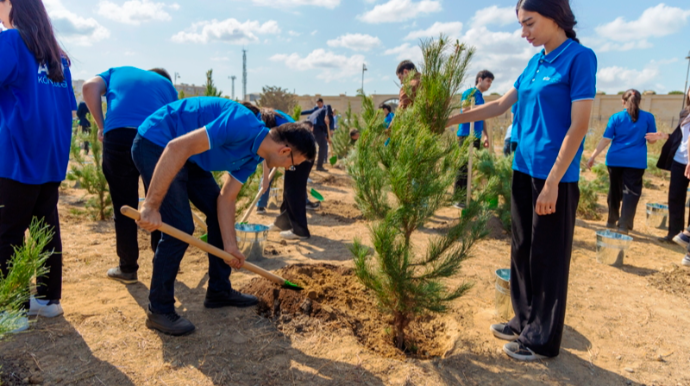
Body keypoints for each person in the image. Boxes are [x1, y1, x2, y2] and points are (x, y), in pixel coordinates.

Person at [447, 0, 596, 361]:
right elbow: (499, 106)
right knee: (522, 250)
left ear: (554, 16)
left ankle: (542, 341)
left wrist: (553, 182)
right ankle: (523, 320)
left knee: (548, 256)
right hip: (523, 169)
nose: (523, 33)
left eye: (529, 23)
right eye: (521, 24)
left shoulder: (579, 58)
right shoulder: (535, 62)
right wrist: (450, 119)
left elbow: (579, 126)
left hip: (553, 176)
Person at [133, 97, 315, 335]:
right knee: (181, 226)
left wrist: (231, 246)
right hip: (157, 141)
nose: (287, 169)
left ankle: (219, 290)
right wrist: (151, 205)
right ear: (284, 151)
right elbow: (176, 148)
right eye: (291, 165)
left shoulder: (255, 155)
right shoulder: (241, 124)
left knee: (217, 214)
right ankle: (159, 309)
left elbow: (226, 199)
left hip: (189, 156)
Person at [0, 0, 77, 328]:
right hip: (50, 158)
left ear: (11, 4)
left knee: (7, 233)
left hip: (17, 156)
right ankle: (47, 300)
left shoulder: (11, 41)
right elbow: (65, 107)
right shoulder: (57, 55)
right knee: (46, 229)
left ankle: (10, 310)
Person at [82, 66, 177, 285]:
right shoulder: (167, 87)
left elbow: (88, 88)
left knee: (123, 206)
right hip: (154, 138)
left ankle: (127, 268)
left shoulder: (118, 72)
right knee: (157, 203)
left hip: (118, 136)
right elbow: (174, 123)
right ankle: (160, 265)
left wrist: (102, 126)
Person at [586, 89, 658, 234]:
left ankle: (611, 221)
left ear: (623, 102)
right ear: (639, 101)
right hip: (635, 162)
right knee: (630, 193)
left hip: (615, 160)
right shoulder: (648, 117)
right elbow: (651, 141)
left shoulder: (616, 117)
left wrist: (593, 156)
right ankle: (624, 225)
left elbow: (606, 139)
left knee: (615, 190)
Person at [454, 70, 495, 207]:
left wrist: (486, 136)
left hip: (476, 136)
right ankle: (458, 199)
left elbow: (481, 118)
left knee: (472, 167)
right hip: (466, 135)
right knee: (463, 166)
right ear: (479, 79)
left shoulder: (481, 98)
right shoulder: (469, 93)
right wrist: (484, 107)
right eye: (488, 80)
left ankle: (466, 197)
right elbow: (465, 109)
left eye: (491, 82)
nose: (489, 84)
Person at [658, 88, 690, 245]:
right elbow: (682, 137)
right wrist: (666, 137)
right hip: (680, 160)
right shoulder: (685, 113)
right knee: (675, 197)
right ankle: (674, 233)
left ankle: (688, 236)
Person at [301, 98, 331, 172]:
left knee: (312, 146)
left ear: (322, 103)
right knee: (322, 146)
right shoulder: (324, 110)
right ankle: (317, 166)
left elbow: (326, 127)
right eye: (317, 103)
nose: (318, 104)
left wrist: (327, 137)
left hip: (313, 127)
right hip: (316, 127)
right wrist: (327, 115)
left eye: (319, 103)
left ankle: (307, 163)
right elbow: (329, 106)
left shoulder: (320, 111)